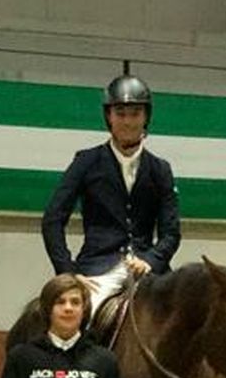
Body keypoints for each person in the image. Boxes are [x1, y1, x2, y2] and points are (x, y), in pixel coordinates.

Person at [42, 74, 181, 308]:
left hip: (150, 271)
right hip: (98, 269)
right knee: (83, 315)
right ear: (109, 116)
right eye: (120, 114)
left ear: (146, 117)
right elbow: (52, 221)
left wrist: (150, 260)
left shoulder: (160, 169)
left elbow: (171, 233)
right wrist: (68, 271)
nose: (128, 122)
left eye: (135, 114)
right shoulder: (86, 162)